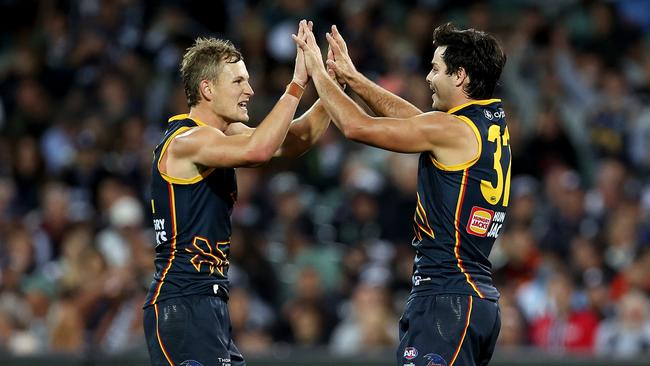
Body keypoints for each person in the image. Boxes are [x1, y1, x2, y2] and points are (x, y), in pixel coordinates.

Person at [294, 22, 509, 366]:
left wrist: (318, 71)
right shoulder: (486, 122)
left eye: (436, 68)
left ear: (460, 76)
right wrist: (353, 78)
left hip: (446, 296)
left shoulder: (451, 129)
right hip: (474, 295)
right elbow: (416, 122)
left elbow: (356, 126)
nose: (427, 77)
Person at [143, 20, 332, 366]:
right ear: (208, 89)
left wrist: (332, 82)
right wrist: (296, 83)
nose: (250, 90)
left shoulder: (223, 135)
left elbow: (295, 140)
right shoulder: (188, 141)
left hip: (206, 304)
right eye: (239, 81)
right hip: (183, 303)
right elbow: (259, 151)